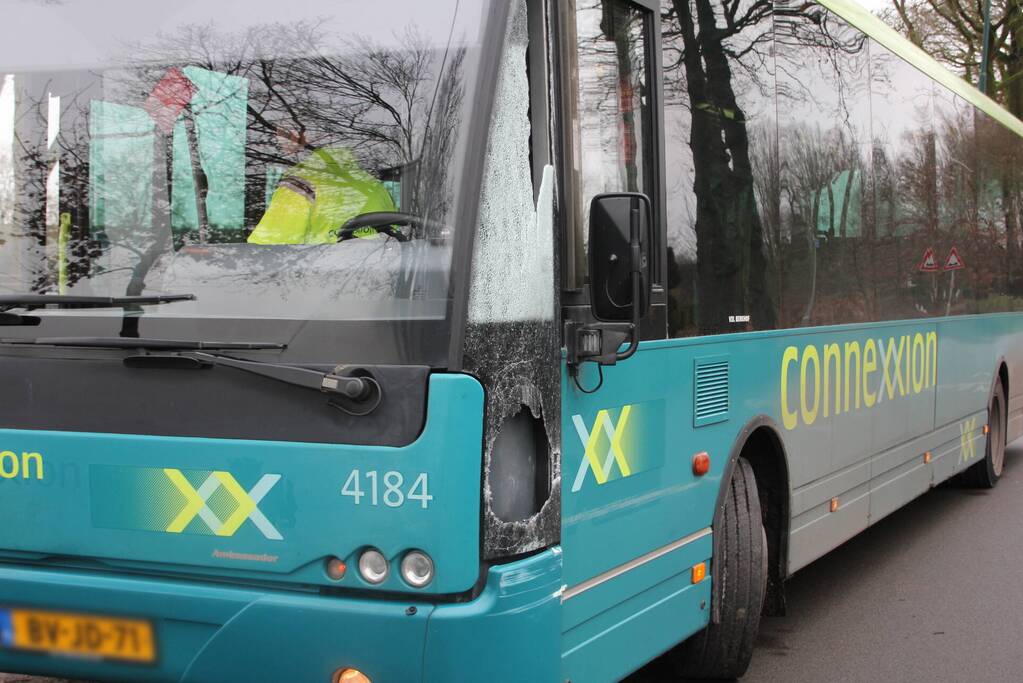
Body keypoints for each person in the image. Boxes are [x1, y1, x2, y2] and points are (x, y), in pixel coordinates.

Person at [248, 125, 396, 244]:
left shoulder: (300, 185)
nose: (279, 142)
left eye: (286, 134)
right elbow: (393, 238)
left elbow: (266, 252)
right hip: (376, 275)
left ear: (308, 136)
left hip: (321, 277)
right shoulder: (373, 185)